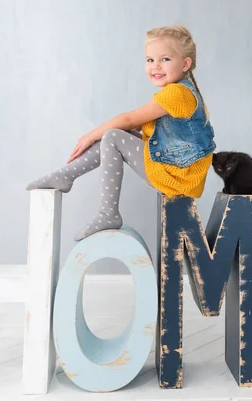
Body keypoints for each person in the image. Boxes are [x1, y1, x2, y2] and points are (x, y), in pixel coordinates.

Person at [26, 25, 216, 240]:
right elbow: (138, 127)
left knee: (113, 136)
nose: (156, 66)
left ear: (185, 63)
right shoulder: (182, 90)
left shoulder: (176, 93)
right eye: (150, 60)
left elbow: (129, 119)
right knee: (114, 135)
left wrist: (91, 134)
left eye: (165, 59)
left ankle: (107, 211)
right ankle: (65, 176)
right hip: (180, 171)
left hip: (177, 176)